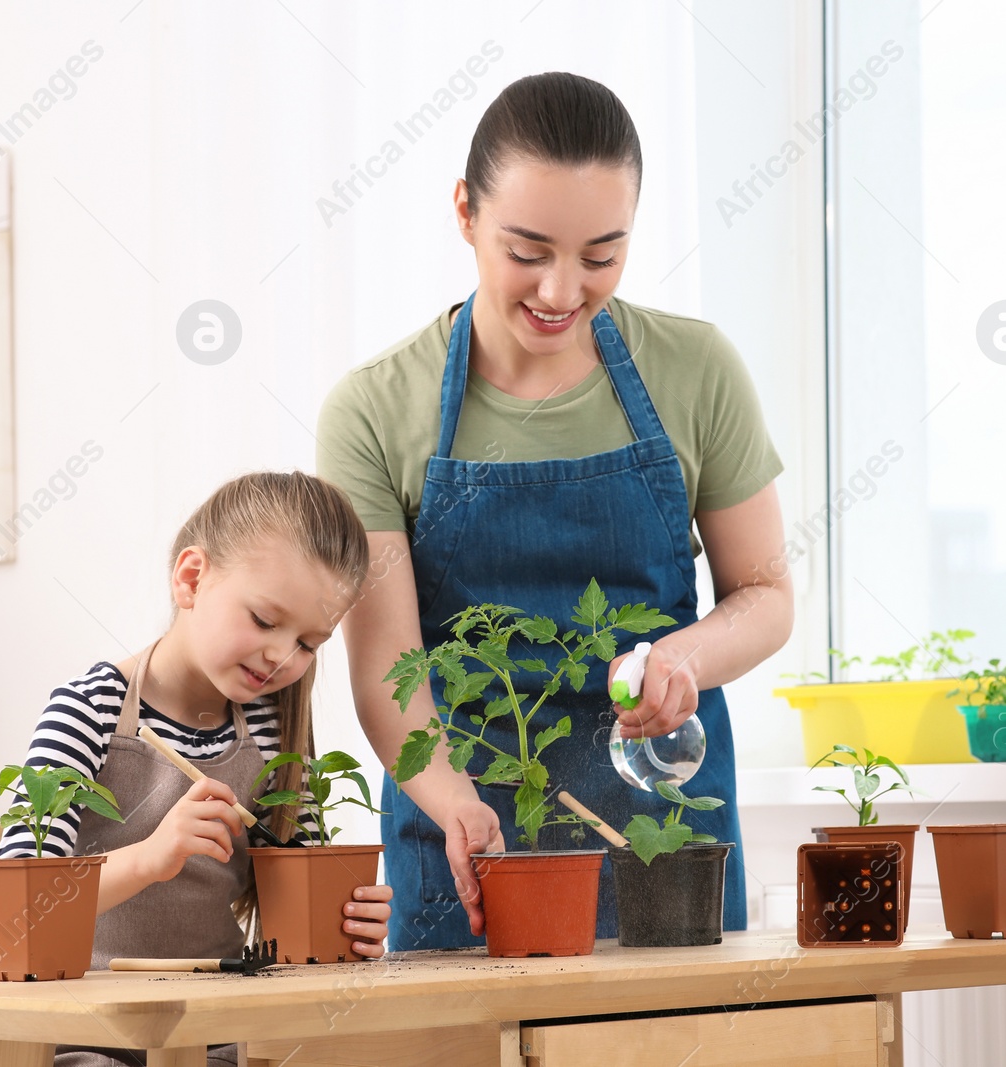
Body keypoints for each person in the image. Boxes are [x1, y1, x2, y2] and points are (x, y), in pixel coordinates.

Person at [317, 72, 792, 950]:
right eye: (527, 250)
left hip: (661, 829)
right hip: (463, 838)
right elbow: (388, 663)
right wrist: (457, 805)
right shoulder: (376, 408)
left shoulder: (697, 369)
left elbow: (765, 593)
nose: (561, 290)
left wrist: (680, 657)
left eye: (600, 255)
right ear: (464, 212)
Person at [0, 471, 394, 1067]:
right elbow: (17, 909)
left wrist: (348, 921)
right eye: (264, 620)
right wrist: (148, 858)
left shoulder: (270, 731)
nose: (282, 656)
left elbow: (296, 910)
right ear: (192, 578)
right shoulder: (90, 709)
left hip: (222, 1035)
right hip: (93, 1037)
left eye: (309, 643)